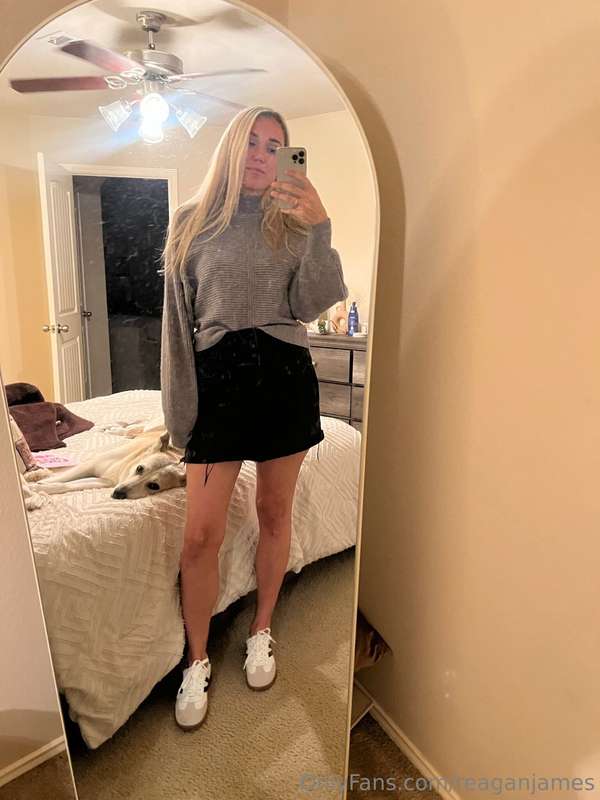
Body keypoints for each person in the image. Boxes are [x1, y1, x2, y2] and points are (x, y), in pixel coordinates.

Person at [160, 105, 349, 730]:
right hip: (218, 383)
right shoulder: (189, 223)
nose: (263, 155)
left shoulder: (292, 224)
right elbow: (177, 328)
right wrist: (179, 417)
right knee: (200, 535)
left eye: (275, 146)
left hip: (283, 379)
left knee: (274, 512)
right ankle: (196, 659)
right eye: (253, 142)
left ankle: (261, 627)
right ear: (232, 148)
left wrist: (319, 226)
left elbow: (312, 303)